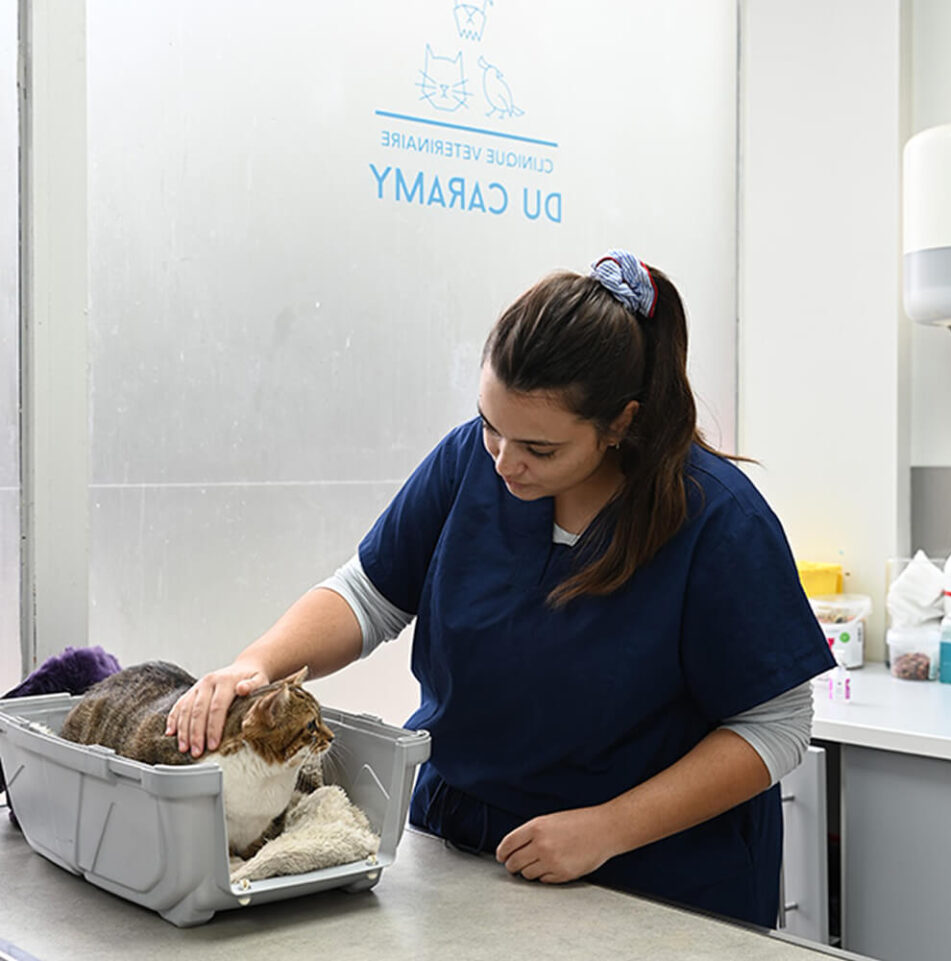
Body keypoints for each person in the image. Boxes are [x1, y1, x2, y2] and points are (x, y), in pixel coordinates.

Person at [166, 250, 835, 927]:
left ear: (621, 423)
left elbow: (774, 726)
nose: (505, 461)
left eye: (540, 449)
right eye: (491, 425)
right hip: (462, 855)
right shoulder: (471, 461)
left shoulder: (717, 520)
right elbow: (369, 594)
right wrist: (258, 664)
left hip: (655, 880)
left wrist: (606, 828)